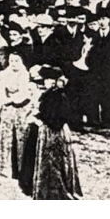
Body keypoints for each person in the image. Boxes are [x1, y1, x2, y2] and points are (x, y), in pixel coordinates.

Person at [30, 67, 82, 200]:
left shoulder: (58, 96)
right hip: (49, 130)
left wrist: (41, 118)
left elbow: (57, 116)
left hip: (54, 132)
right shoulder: (49, 94)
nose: (45, 82)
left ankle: (54, 192)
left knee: (53, 162)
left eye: (47, 79)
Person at [0, 49, 34, 179]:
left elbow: (25, 94)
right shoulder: (3, 74)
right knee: (5, 137)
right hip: (6, 110)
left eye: (16, 61)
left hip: (20, 110)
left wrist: (13, 100)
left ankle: (19, 169)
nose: (13, 63)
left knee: (19, 139)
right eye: (11, 61)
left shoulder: (25, 75)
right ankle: (3, 166)